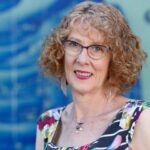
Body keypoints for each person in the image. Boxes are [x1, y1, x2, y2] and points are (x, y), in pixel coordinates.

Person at [36, 1, 150, 150]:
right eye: (74, 44)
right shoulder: (47, 123)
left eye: (97, 48)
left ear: (114, 59)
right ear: (60, 52)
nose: (82, 59)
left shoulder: (140, 118)